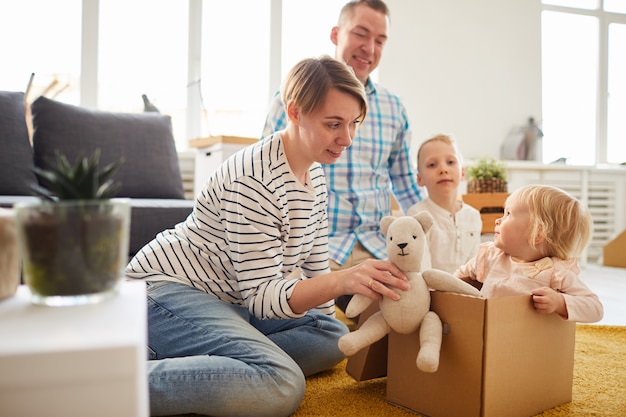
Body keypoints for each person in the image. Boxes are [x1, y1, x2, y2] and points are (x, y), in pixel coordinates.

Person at [126, 56, 412, 417]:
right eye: (334, 124)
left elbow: (313, 266)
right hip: (167, 292)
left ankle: (222, 354)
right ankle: (113, 383)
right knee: (281, 383)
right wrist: (344, 280)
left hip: (232, 300)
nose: (347, 138)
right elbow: (262, 298)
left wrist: (330, 296)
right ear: (295, 113)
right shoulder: (255, 180)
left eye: (354, 123)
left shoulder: (316, 174)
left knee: (331, 336)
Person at [262, 0, 423, 312]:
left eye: (380, 40)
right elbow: (270, 174)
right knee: (315, 326)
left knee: (414, 313)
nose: (370, 48)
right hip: (319, 249)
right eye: (361, 34)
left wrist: (430, 232)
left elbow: (404, 180)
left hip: (378, 246)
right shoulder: (294, 98)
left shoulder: (394, 108)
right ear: (336, 34)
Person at [454, 184, 603, 323]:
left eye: (508, 214)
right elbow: (456, 280)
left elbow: (596, 309)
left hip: (527, 341)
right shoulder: (490, 255)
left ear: (537, 234)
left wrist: (560, 302)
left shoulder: (556, 272)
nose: (498, 220)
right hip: (487, 330)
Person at [407, 134, 482, 273]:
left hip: (467, 292)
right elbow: (423, 273)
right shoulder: (416, 216)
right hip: (431, 293)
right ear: (420, 178)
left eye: (451, 162)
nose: (443, 169)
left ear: (463, 172)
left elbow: (475, 268)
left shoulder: (473, 216)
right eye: (432, 165)